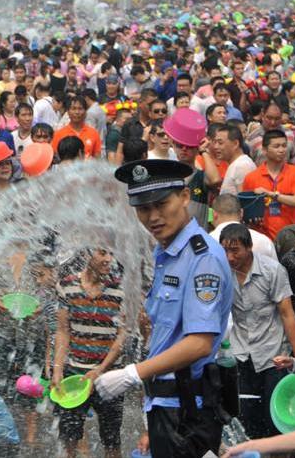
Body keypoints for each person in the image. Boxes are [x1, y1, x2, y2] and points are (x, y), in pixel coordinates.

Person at [96, 159, 234, 457]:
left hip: (186, 411)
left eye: (161, 204)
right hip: (166, 405)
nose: (153, 216)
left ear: (185, 197)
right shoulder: (167, 251)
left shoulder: (202, 257)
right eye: (144, 209)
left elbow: (199, 343)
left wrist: (131, 373)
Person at [219, 223, 295, 439]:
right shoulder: (222, 273)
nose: (229, 257)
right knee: (246, 416)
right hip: (241, 354)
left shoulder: (272, 271)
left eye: (235, 250)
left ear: (249, 247)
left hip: (273, 355)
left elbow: (287, 314)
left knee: (273, 416)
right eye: (225, 250)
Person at [53, 248, 125, 458]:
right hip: (74, 373)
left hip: (110, 375)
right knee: (69, 439)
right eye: (103, 253)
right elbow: (63, 330)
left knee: (112, 441)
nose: (109, 260)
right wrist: (57, 369)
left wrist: (101, 369)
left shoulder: (120, 289)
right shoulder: (66, 286)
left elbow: (122, 335)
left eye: (111, 254)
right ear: (86, 255)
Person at [241, 129, 295, 241]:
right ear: (264, 150)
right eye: (276, 146)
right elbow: (245, 209)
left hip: (289, 237)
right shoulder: (251, 177)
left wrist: (271, 194)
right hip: (261, 238)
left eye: (284, 146)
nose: (282, 150)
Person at [209, 194, 278, 259]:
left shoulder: (206, 241)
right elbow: (275, 270)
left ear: (213, 214)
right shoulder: (264, 241)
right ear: (241, 213)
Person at [215, 123, 255, 195]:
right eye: (215, 142)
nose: (216, 146)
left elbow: (245, 201)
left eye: (220, 143)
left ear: (235, 144)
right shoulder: (236, 164)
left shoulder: (242, 166)